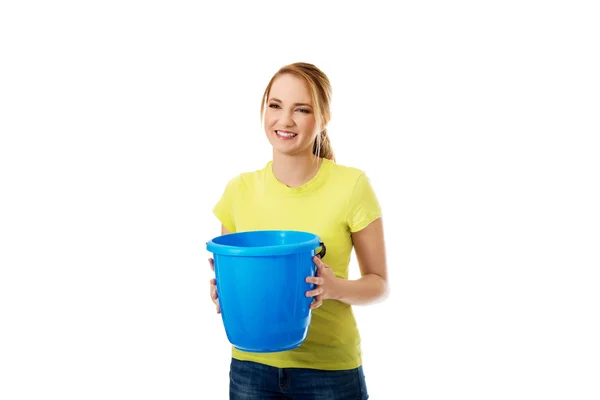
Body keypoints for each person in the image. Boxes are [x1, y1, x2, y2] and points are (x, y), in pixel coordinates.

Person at [208, 62, 389, 399]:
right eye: (275, 105)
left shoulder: (352, 186)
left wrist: (333, 288)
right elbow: (231, 270)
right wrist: (226, 290)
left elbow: (379, 284)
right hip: (251, 367)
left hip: (330, 371)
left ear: (323, 118)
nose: (285, 120)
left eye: (301, 109)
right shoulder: (238, 191)